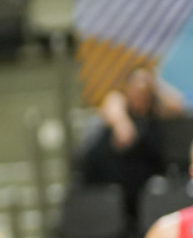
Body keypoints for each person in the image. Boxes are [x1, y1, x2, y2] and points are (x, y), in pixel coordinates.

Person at [78, 67, 183, 220]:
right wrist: (121, 120)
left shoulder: (154, 109)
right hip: (116, 182)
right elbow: (125, 135)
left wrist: (156, 85)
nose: (141, 90)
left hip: (146, 183)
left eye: (146, 85)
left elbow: (177, 105)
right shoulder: (118, 104)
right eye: (136, 84)